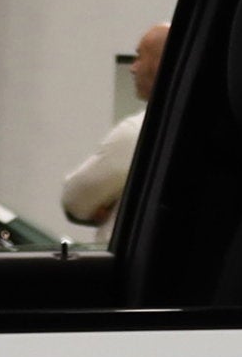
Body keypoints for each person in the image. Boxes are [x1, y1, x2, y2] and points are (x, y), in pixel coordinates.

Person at [58, 19, 173, 230]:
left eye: (139, 57)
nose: (133, 68)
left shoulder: (138, 132)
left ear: (160, 64)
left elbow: (75, 201)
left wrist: (107, 203)